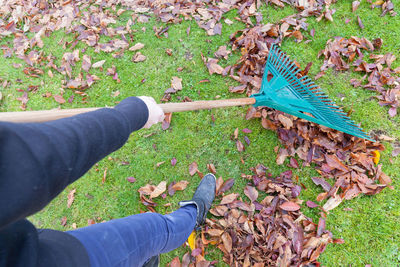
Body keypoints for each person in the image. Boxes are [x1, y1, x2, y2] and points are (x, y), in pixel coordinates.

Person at [0, 96, 216, 267]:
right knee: (156, 230)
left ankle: (144, 261)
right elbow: (33, 160)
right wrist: (132, 114)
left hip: (21, 247)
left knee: (138, 252)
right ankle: (193, 214)